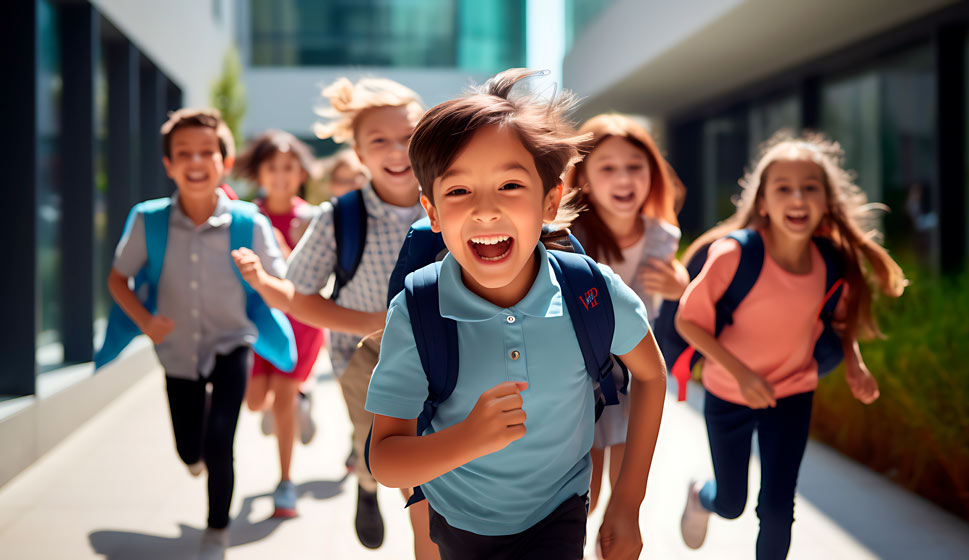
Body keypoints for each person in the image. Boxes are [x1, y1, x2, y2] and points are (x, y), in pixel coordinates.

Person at [365, 69, 667, 560]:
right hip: (456, 520)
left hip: (559, 513)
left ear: (549, 200)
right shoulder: (418, 311)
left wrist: (627, 503)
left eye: (509, 185)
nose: (485, 210)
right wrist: (468, 439)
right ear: (432, 212)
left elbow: (651, 375)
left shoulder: (590, 292)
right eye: (459, 191)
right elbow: (385, 460)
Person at [675, 132, 907, 559]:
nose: (797, 197)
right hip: (729, 392)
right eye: (784, 188)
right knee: (731, 503)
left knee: (778, 510)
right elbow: (687, 321)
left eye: (809, 188)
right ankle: (701, 496)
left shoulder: (830, 261)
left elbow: (836, 323)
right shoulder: (732, 255)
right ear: (763, 201)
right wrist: (742, 374)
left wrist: (854, 363)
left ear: (826, 201)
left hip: (793, 392)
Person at [234, 76, 429, 552]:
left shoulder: (454, 198)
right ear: (359, 154)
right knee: (382, 451)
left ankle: (430, 539)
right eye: (378, 141)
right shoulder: (339, 217)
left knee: (433, 465)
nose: (395, 150)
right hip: (367, 356)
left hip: (444, 349)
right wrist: (266, 284)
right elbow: (299, 295)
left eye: (406, 138)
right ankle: (366, 487)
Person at [106, 108, 288, 560]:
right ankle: (195, 455)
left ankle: (217, 531)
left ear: (225, 162)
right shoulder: (148, 220)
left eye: (208, 151)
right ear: (168, 164)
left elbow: (283, 289)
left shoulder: (250, 222)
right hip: (176, 349)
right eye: (184, 153)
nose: (196, 160)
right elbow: (117, 279)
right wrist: (146, 323)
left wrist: (259, 276)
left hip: (233, 341)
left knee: (220, 438)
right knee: (190, 451)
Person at [564, 113, 688, 518]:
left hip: (635, 377)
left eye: (635, 167)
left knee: (625, 495)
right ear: (583, 177)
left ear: (652, 174)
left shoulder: (662, 237)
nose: (624, 179)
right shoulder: (567, 238)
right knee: (586, 494)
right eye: (608, 168)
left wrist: (681, 285)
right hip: (576, 379)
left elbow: (669, 296)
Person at [230, 130, 324, 518]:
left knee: (282, 400)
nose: (281, 175)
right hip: (257, 324)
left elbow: (315, 277)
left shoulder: (313, 219)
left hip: (300, 322)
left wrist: (293, 252)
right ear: (259, 173)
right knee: (255, 404)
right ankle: (302, 399)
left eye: (289, 167)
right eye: (273, 167)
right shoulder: (246, 216)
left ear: (301, 172)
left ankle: (285, 484)